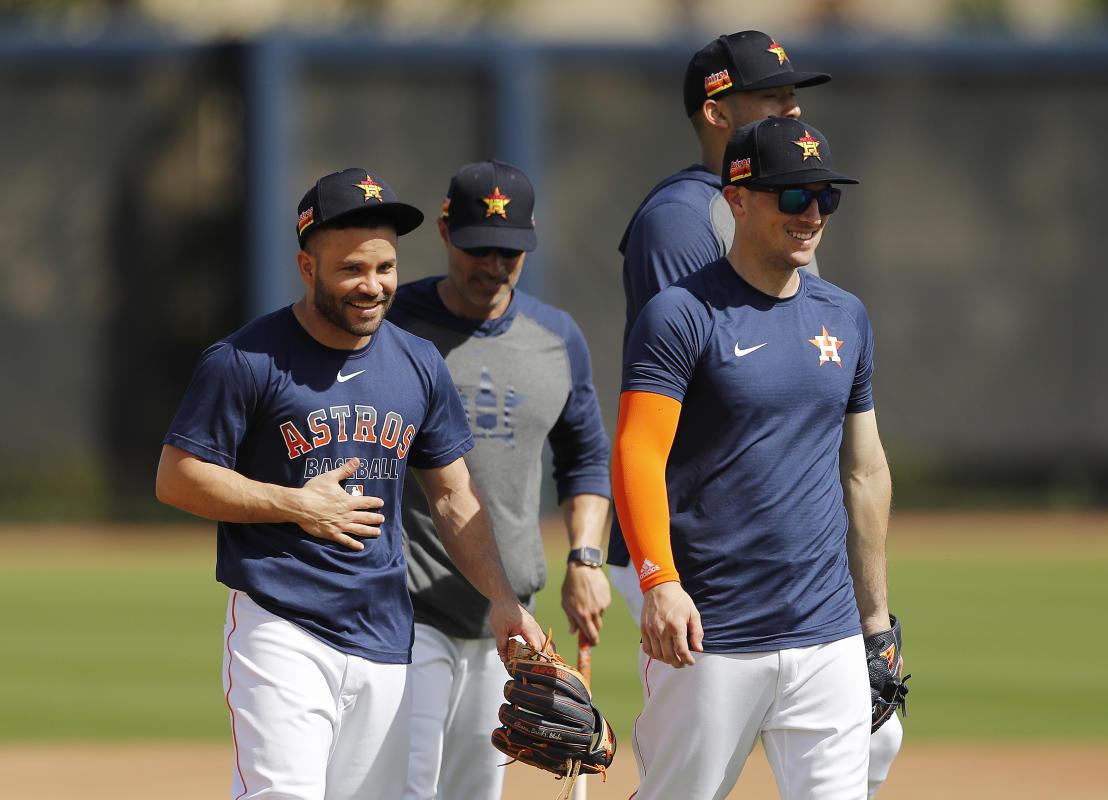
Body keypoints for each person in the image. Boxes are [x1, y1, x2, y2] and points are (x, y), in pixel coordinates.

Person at [155, 167, 545, 800]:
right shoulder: (246, 359)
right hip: (282, 623)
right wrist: (294, 503)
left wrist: (502, 598)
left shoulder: (417, 363)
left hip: (387, 632)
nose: (373, 286)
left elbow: (452, 494)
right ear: (308, 269)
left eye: (385, 267)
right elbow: (177, 477)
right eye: (352, 270)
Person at [608, 31, 904, 796]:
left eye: (825, 196)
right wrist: (658, 581)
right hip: (713, 630)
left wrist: (876, 623)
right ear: (735, 199)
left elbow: (865, 468)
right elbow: (638, 452)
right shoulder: (682, 313)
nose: (812, 214)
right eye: (794, 196)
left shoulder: (847, 314)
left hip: (826, 632)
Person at [386, 159, 613, 800]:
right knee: (402, 789)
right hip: (409, 611)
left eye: (508, 251)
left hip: (511, 623)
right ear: (443, 232)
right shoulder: (393, 325)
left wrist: (587, 558)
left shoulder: (557, 338)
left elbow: (586, 461)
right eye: (477, 248)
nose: (491, 265)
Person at [609, 29, 829, 609]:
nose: (793, 108)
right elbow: (699, 388)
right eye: (772, 97)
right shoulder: (682, 218)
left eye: (793, 94)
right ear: (716, 112)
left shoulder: (782, 209)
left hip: (765, 536)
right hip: (699, 540)